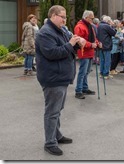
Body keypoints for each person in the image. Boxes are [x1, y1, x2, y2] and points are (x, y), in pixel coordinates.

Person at [35, 5, 84, 156]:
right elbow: (53, 53)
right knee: (52, 112)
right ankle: (50, 143)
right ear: (53, 16)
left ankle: (57, 135)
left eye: (65, 17)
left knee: (57, 110)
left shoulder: (61, 30)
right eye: (62, 17)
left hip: (61, 76)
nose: (64, 20)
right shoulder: (45, 33)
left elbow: (67, 47)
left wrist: (76, 43)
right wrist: (71, 44)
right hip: (53, 77)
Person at [74, 10, 99, 99]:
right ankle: (78, 90)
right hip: (84, 52)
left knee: (87, 72)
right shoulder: (79, 27)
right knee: (82, 72)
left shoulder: (90, 26)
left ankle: (84, 88)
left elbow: (94, 38)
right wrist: (91, 44)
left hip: (90, 52)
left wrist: (97, 43)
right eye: (91, 18)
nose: (92, 20)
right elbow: (79, 40)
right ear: (86, 17)